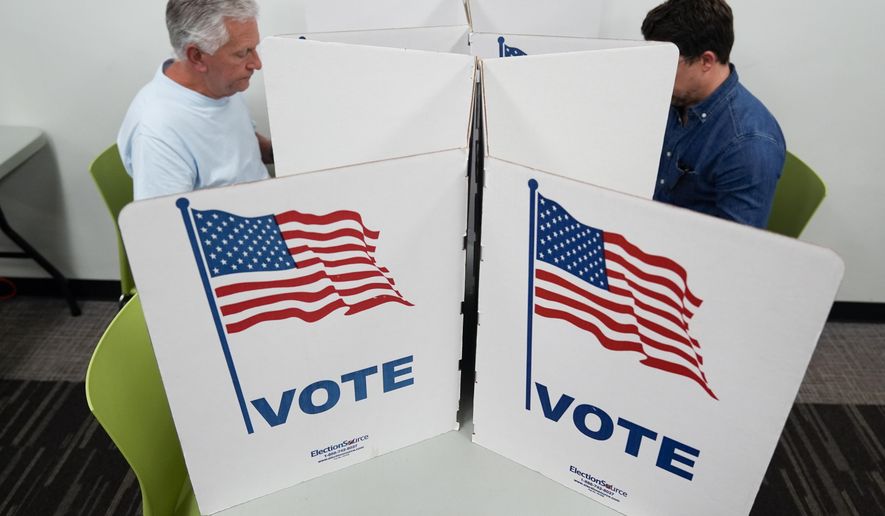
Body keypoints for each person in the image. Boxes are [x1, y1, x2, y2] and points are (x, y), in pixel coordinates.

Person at [642, 0, 785, 228]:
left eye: (667, 63)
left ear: (706, 61)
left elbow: (735, 247)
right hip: (649, 226)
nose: (656, 75)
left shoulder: (747, 145)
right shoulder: (675, 97)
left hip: (687, 252)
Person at [118, 0, 273, 201]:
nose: (257, 64)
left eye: (254, 49)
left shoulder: (222, 84)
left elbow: (242, 144)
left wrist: (286, 151)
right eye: (242, 53)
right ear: (197, 56)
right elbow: (165, 226)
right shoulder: (158, 131)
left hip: (267, 204)